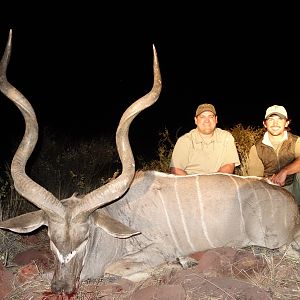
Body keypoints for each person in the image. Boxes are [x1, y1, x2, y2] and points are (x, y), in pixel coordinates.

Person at [248, 105, 300, 205]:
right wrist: (269, 181)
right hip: (269, 190)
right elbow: (254, 177)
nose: (275, 123)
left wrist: (285, 171)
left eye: (280, 119)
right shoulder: (256, 148)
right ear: (264, 124)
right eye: (271, 119)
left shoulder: (296, 141)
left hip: (293, 188)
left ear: (286, 123)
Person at [169, 103, 240, 175]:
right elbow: (176, 170)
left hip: (218, 182)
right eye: (202, 117)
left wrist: (213, 182)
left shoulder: (226, 137)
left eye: (211, 116)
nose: (207, 120)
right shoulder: (184, 141)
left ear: (216, 119)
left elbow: (229, 166)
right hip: (191, 182)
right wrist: (195, 184)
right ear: (196, 120)